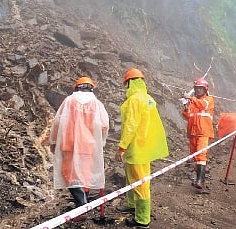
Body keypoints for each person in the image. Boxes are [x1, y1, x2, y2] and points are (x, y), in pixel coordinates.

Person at [115, 68, 169, 228]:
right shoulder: (149, 99)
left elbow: (131, 125)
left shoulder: (134, 100)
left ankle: (142, 219)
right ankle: (132, 204)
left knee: (140, 183)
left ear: (130, 83)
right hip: (145, 147)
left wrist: (122, 147)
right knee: (133, 178)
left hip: (136, 148)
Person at [49, 76, 109, 221]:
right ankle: (81, 208)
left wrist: (53, 141)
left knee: (69, 175)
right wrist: (101, 143)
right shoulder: (96, 103)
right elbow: (104, 125)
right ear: (91, 88)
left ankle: (81, 203)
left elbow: (57, 122)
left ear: (77, 87)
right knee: (85, 176)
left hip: (70, 144)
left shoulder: (69, 101)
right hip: (88, 146)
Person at [182, 78, 215, 189]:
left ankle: (200, 181)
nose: (198, 90)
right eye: (197, 88)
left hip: (203, 132)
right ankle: (199, 179)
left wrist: (190, 98)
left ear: (205, 89)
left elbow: (202, 105)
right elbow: (188, 116)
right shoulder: (193, 101)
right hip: (193, 132)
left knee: (201, 155)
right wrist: (186, 107)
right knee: (195, 156)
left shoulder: (208, 100)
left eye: (201, 88)